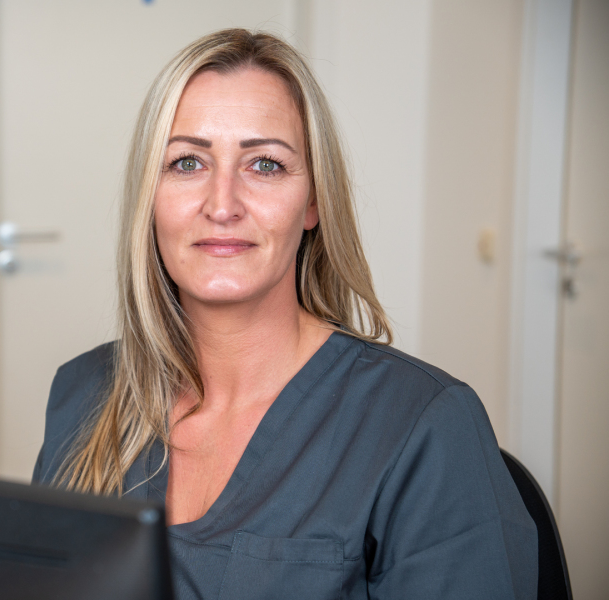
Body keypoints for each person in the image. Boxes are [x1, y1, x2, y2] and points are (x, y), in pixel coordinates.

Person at [33, 28, 537, 599]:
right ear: (150, 196)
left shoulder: (425, 426)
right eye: (187, 162)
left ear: (314, 200)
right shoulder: (84, 393)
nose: (222, 205)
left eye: (266, 165)